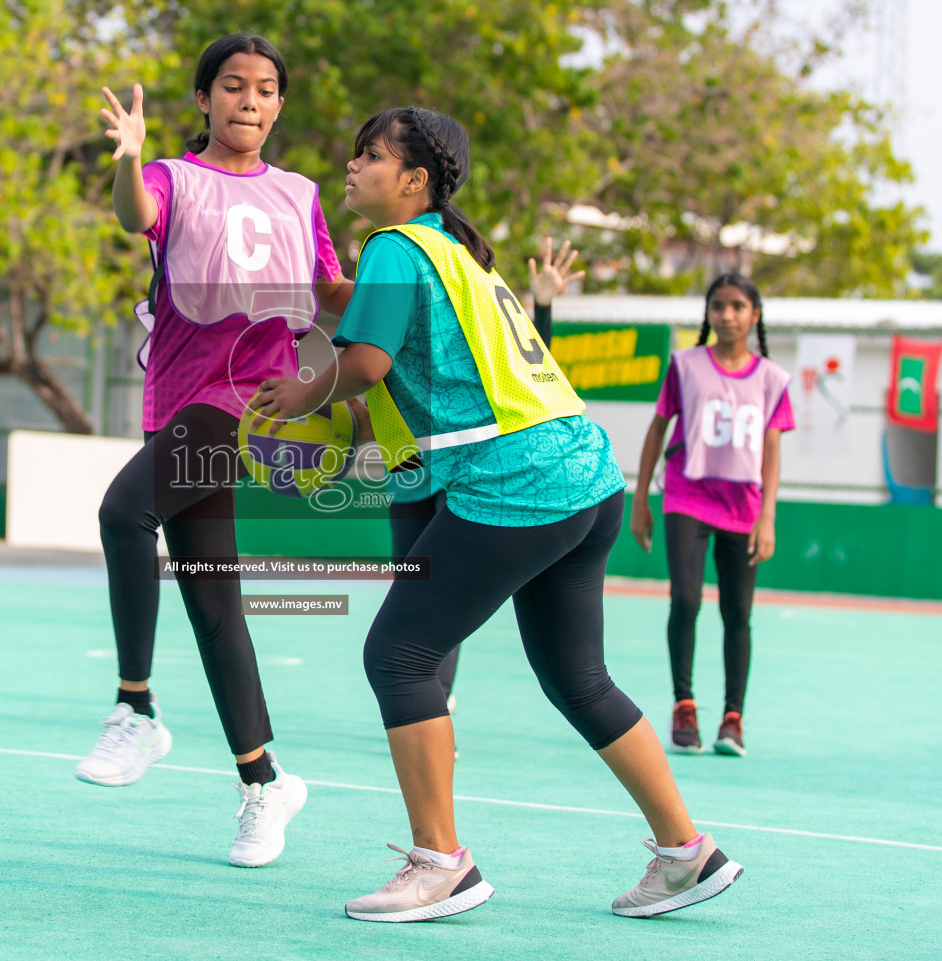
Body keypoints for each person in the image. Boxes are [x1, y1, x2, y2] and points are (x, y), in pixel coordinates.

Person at [250, 107, 742, 922]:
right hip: (585, 474)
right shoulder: (452, 254)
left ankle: (442, 864)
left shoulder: (397, 249)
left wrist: (305, 393)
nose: (351, 167)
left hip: (515, 480)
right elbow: (361, 312)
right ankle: (686, 852)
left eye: (368, 157)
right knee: (579, 679)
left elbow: (366, 359)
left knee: (399, 654)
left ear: (413, 181)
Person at [75, 33, 352, 869]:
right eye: (234, 87)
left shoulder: (300, 195)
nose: (251, 103)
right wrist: (127, 158)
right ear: (204, 99)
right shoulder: (171, 176)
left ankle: (135, 710)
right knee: (214, 605)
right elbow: (137, 217)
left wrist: (415, 275)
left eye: (267, 90)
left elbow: (333, 293)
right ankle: (266, 784)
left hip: (245, 400)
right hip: (178, 398)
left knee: (124, 512)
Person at [385, 237, 581, 723]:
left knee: (437, 592)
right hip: (407, 462)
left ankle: (435, 696)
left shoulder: (459, 302)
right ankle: (428, 693)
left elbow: (528, 369)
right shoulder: (386, 297)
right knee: (412, 588)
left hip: (463, 463)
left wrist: (543, 305)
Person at [630, 274, 793, 757]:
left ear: (754, 315)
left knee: (737, 613)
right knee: (685, 600)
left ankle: (733, 719)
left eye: (738, 306)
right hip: (686, 498)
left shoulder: (772, 379)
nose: (727, 315)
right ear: (708, 314)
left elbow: (772, 452)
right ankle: (684, 705)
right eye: (718, 306)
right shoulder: (685, 367)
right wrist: (640, 499)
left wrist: (768, 518)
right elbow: (657, 431)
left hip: (743, 509)